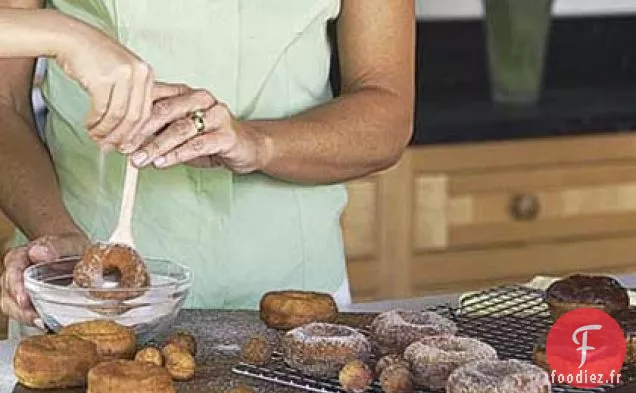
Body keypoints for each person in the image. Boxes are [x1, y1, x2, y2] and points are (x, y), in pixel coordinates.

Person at [0, 0, 415, 333]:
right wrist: (55, 234)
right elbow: (6, 105)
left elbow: (388, 113)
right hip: (88, 297)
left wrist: (257, 143)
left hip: (291, 285)